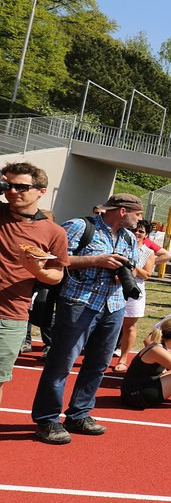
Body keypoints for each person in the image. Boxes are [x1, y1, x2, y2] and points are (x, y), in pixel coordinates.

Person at [32, 193, 142, 445]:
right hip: (79, 303)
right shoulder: (80, 226)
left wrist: (123, 274)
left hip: (113, 305)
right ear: (123, 211)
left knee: (98, 364)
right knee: (61, 363)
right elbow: (54, 260)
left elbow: (132, 267)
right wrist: (96, 260)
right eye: (137, 213)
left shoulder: (128, 238)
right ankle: (47, 419)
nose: (140, 219)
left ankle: (79, 414)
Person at [0, 162, 68, 407]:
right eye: (8, 185)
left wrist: (36, 270)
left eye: (21, 187)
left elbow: (57, 275)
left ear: (41, 191)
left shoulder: (54, 232)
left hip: (9, 316)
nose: (13, 191)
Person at [113, 220, 170, 373]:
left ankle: (123, 359)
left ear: (146, 235)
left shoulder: (148, 252)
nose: (137, 234)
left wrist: (132, 264)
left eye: (141, 232)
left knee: (129, 326)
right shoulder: (120, 245)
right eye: (134, 230)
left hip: (134, 292)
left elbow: (146, 274)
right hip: (114, 289)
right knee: (108, 324)